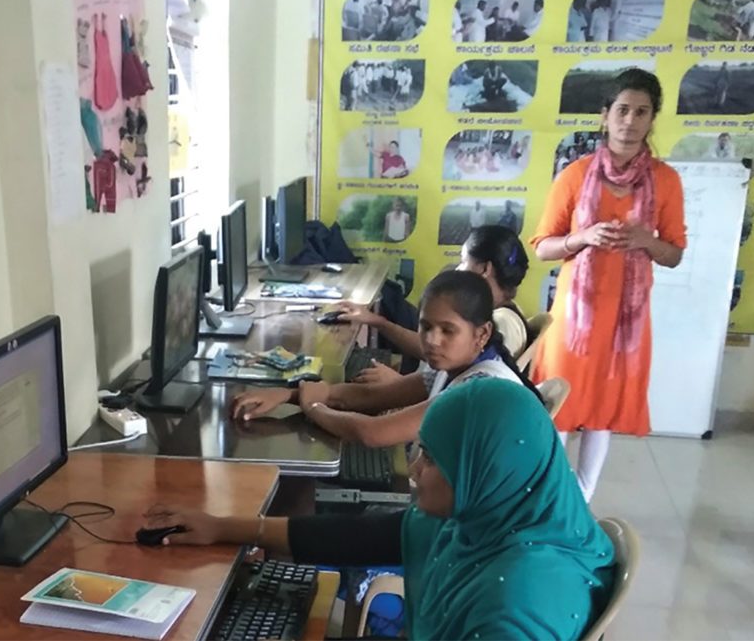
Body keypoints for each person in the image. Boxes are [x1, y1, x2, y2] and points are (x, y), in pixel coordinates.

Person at [144, 379, 616, 640]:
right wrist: (227, 528)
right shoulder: (491, 519)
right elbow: (366, 536)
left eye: (431, 458)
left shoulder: (517, 604)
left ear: (484, 471)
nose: (412, 469)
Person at [531, 68, 686, 502]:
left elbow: (674, 253)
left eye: (641, 112)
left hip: (625, 324)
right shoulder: (575, 175)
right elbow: (543, 247)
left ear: (652, 119)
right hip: (574, 320)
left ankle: (580, 502)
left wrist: (645, 240)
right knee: (558, 408)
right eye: (622, 110)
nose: (630, 120)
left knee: (602, 410)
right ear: (604, 116)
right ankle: (545, 499)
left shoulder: (666, 181)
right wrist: (582, 238)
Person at [229, 271, 538, 448]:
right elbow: (372, 397)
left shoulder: (479, 388)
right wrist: (289, 394)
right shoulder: (457, 366)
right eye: (426, 326)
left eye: (448, 330)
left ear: (482, 334)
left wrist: (313, 407)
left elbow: (372, 433)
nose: (431, 340)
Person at [335, 227, 532, 384]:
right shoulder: (501, 312)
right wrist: (378, 322)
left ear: (484, 269)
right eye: (427, 327)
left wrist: (397, 382)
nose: (458, 268)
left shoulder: (503, 323)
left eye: (463, 261)